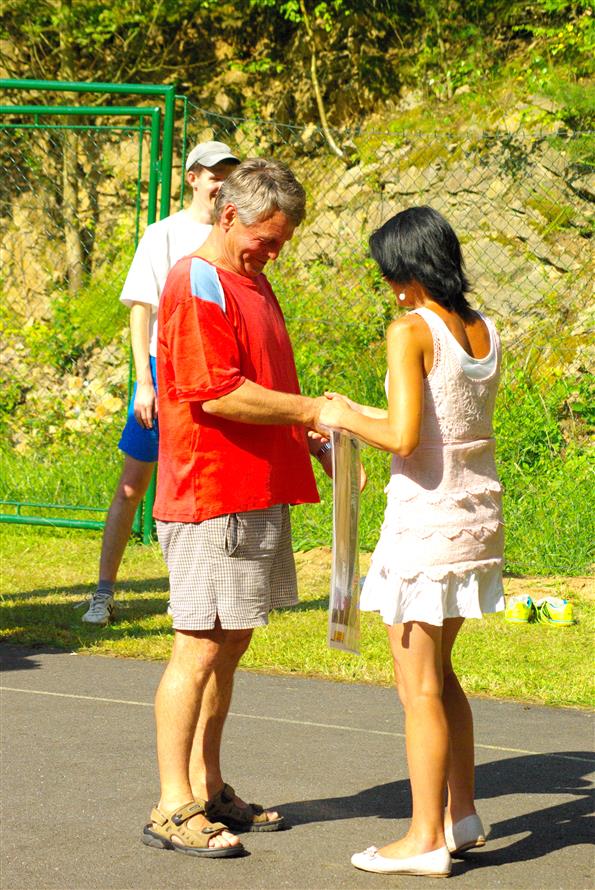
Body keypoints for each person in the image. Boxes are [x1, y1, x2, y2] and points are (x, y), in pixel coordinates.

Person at [141, 158, 335, 858]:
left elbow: (262, 381)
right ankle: (172, 805)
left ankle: (208, 785)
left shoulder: (251, 279)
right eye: (266, 238)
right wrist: (312, 409)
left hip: (252, 489)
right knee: (198, 646)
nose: (273, 252)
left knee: (230, 644)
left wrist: (305, 434)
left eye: (282, 242)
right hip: (210, 493)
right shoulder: (197, 281)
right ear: (229, 215)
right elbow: (217, 392)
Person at [319, 206, 505, 878]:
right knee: (441, 675)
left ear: (409, 270)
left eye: (390, 275)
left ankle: (425, 838)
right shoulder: (482, 328)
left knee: (417, 687)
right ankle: (461, 814)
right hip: (474, 519)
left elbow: (401, 438)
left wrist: (340, 417)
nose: (390, 288)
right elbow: (431, 426)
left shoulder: (409, 330)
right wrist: (352, 413)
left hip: (424, 526)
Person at [81, 141, 240, 626]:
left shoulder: (232, 236)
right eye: (213, 174)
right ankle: (103, 593)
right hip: (161, 371)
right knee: (133, 485)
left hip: (212, 372)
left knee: (197, 487)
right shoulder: (162, 234)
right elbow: (140, 310)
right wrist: (143, 384)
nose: (221, 184)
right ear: (193, 178)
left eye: (228, 175)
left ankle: (187, 594)